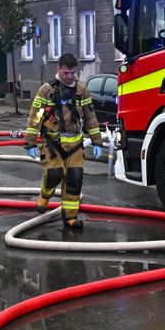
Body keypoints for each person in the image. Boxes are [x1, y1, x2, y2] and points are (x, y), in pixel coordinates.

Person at [24, 53, 104, 228]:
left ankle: (70, 217)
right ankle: (45, 195)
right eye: (66, 72)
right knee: (54, 175)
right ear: (58, 69)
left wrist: (97, 141)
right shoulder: (47, 90)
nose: (70, 76)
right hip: (52, 143)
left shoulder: (82, 91)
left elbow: (90, 117)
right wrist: (30, 142)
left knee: (74, 180)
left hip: (75, 145)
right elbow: (35, 117)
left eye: (73, 73)